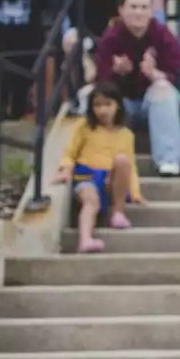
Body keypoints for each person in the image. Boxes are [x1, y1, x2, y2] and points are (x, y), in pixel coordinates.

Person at [94, 0, 180, 176]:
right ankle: (106, 161)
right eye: (133, 7)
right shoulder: (110, 39)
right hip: (123, 104)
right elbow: (100, 83)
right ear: (121, 10)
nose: (139, 12)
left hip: (153, 105)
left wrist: (154, 74)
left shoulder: (163, 36)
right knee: (98, 99)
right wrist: (116, 73)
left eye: (144, 7)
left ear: (152, 10)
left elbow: (176, 77)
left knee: (162, 88)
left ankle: (168, 160)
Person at [54, 82, 144, 253]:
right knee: (90, 201)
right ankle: (85, 239)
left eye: (108, 104)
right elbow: (70, 152)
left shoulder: (126, 134)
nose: (102, 110)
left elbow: (131, 167)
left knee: (123, 160)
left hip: (109, 178)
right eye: (97, 105)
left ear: (118, 106)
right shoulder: (85, 127)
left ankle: (118, 213)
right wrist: (66, 168)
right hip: (86, 175)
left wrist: (135, 192)